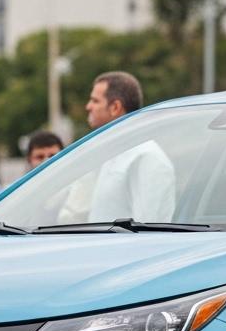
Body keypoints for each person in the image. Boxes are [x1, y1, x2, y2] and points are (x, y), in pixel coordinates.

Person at [57, 71, 174, 223]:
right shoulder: (107, 155)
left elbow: (148, 228)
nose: (88, 106)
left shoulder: (146, 157)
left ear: (115, 107)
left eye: (95, 101)